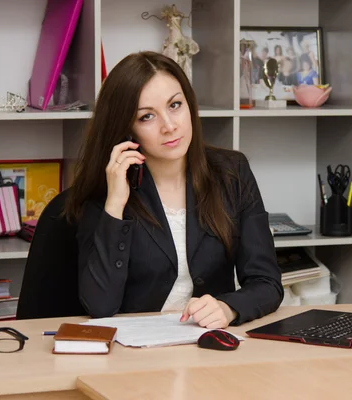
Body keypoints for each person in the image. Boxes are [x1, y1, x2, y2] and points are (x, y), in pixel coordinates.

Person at [64, 51, 284, 329]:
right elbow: (100, 306)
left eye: (175, 105)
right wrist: (115, 206)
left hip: (207, 344)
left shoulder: (232, 172)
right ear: (126, 129)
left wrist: (228, 308)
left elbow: (267, 283)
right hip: (133, 354)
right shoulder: (110, 188)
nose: (169, 126)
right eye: (146, 117)